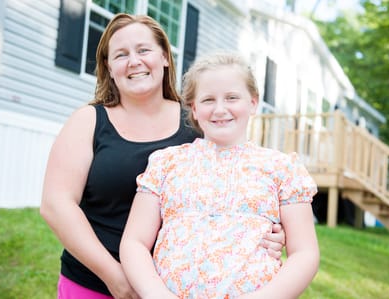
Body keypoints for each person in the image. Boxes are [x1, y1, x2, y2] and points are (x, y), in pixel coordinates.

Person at [40, 13, 285, 299]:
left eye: (144, 50)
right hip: (93, 283)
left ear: (165, 57)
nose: (134, 61)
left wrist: (268, 233)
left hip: (174, 289)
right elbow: (56, 205)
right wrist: (114, 276)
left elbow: (236, 186)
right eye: (121, 54)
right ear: (109, 67)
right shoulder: (89, 121)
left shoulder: (198, 121)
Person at [120, 52, 320, 299]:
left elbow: (305, 253)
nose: (220, 109)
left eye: (232, 97)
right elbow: (134, 242)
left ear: (253, 103)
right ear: (194, 108)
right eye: (208, 100)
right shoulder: (166, 163)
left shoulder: (281, 168)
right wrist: (156, 295)